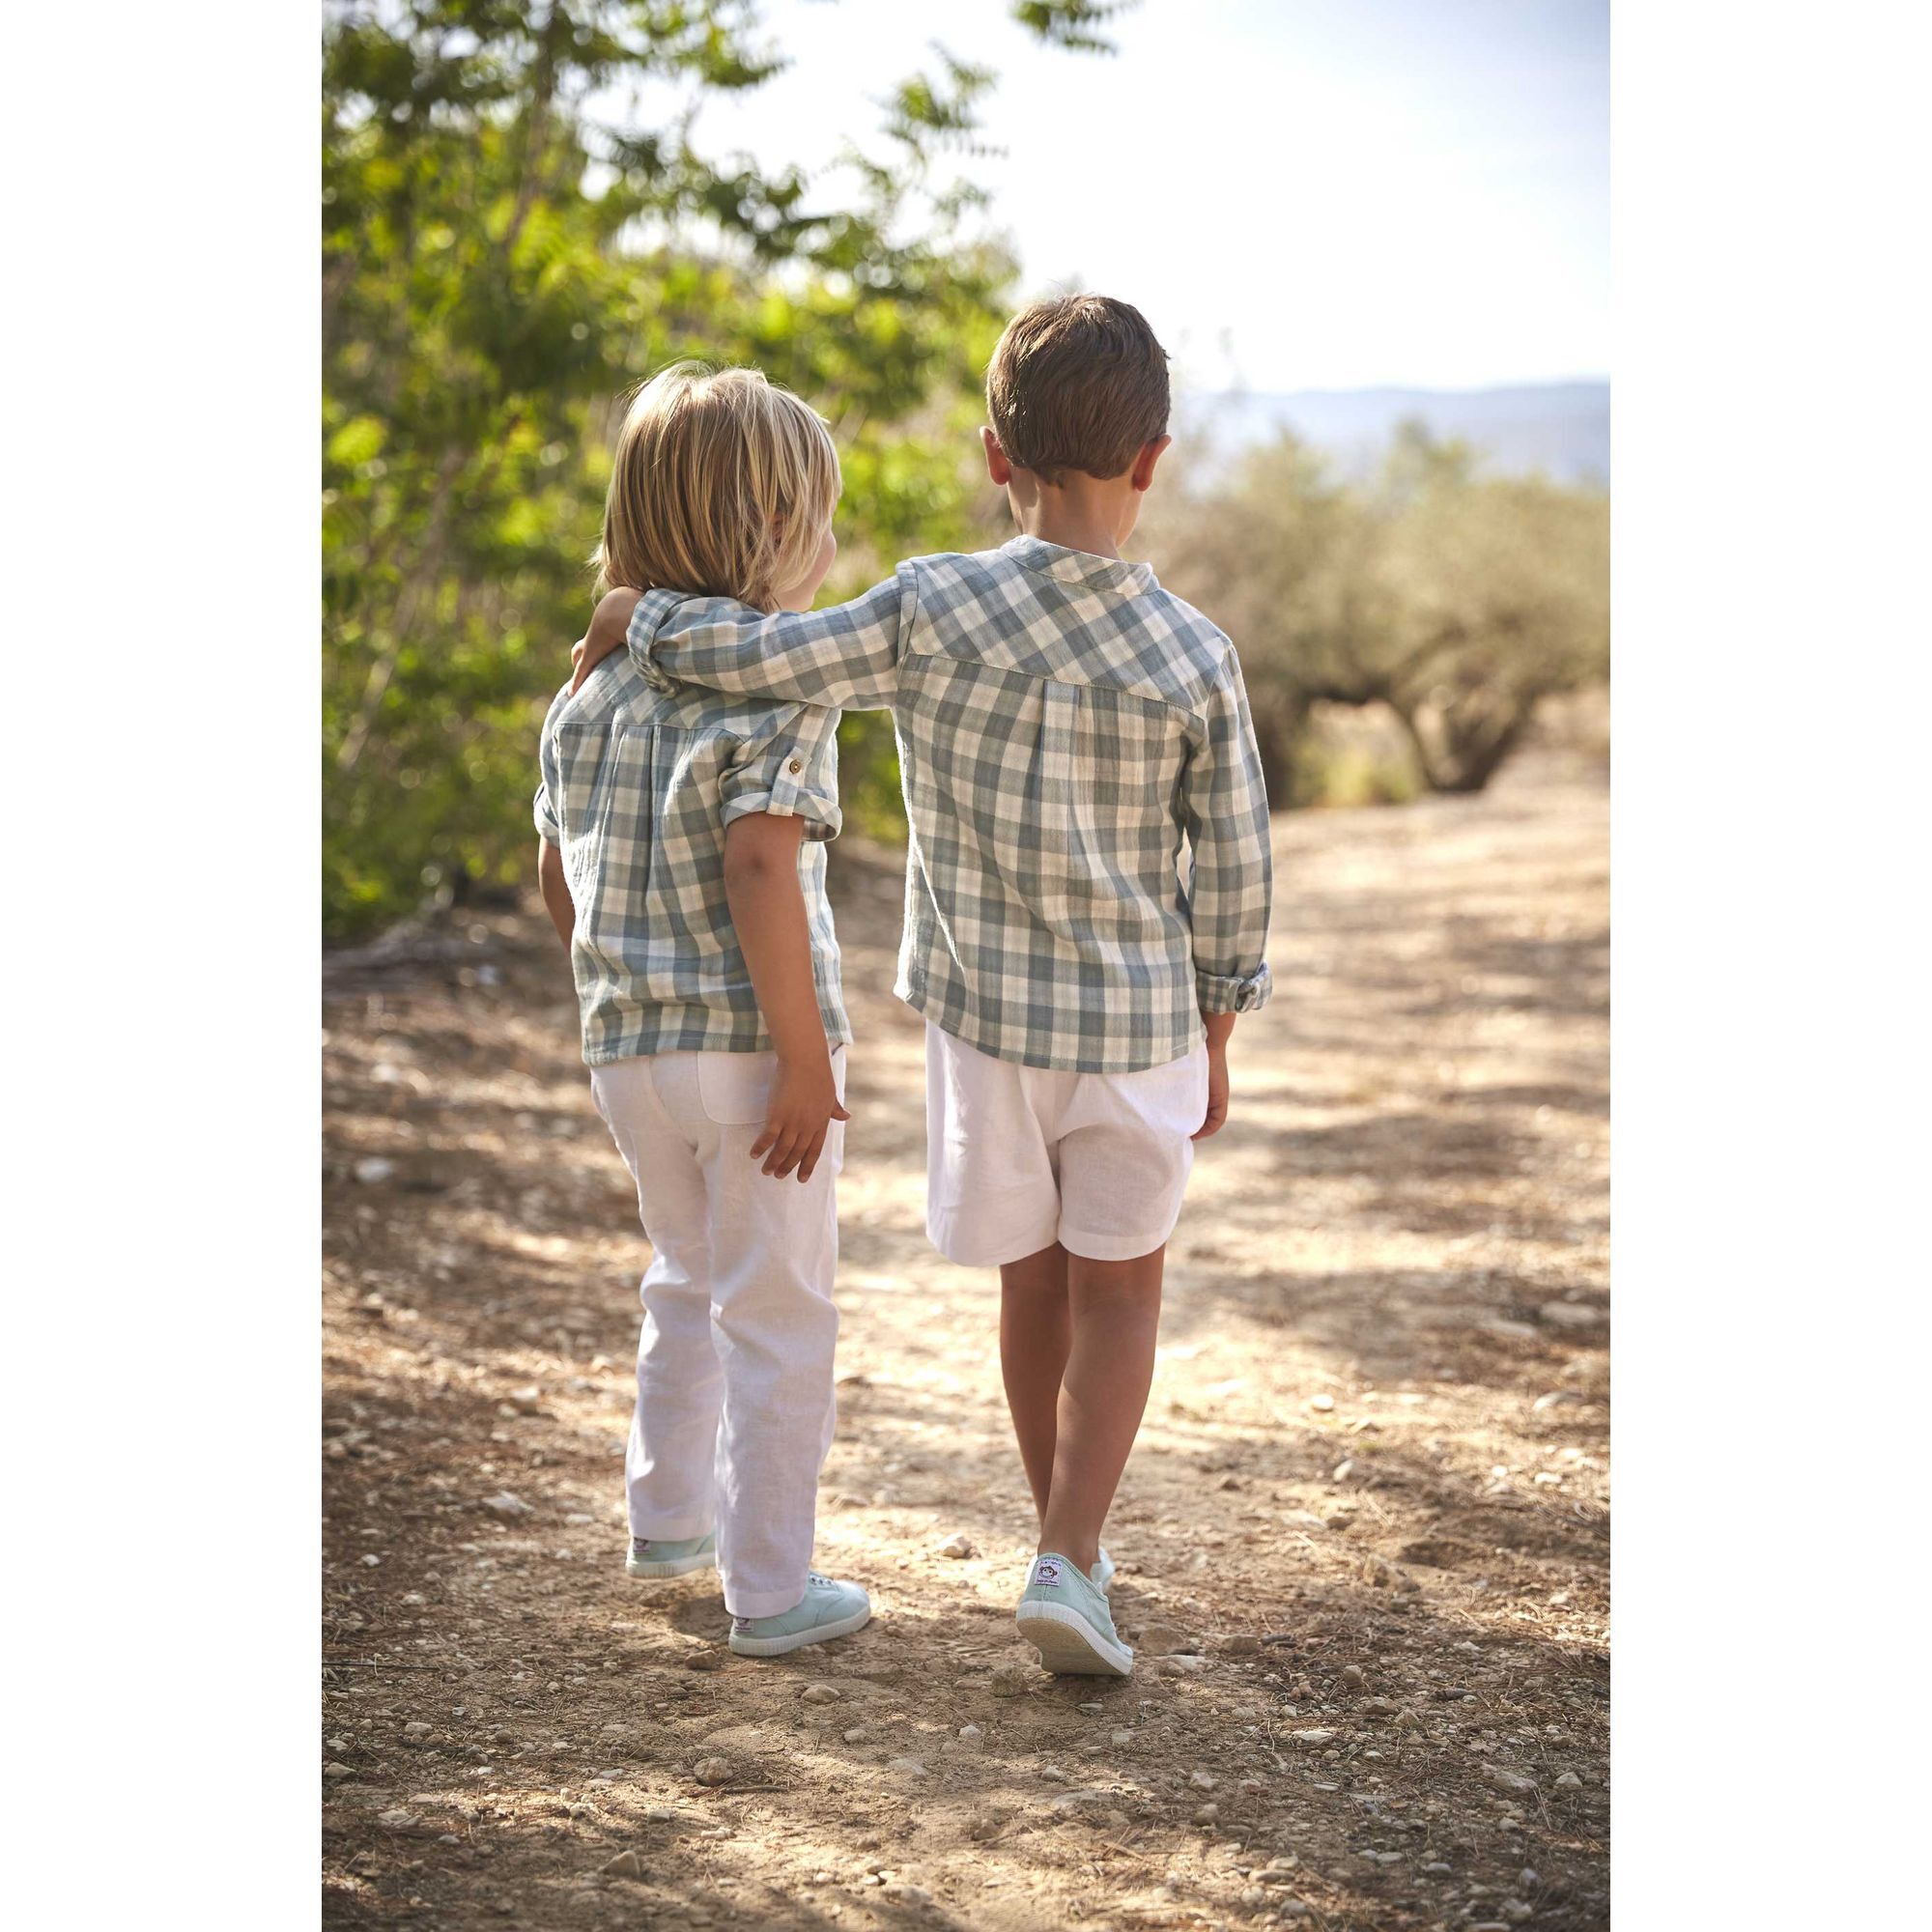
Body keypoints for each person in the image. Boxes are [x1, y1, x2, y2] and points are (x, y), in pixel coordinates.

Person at [571, 297, 1273, 1676]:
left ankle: (1063, 1547)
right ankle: (1067, 1550)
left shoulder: (930, 606)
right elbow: (1238, 862)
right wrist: (1219, 1020)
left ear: (996, 457)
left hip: (989, 1036)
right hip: (1138, 1032)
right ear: (1153, 461)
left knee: (1032, 1285)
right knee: (1121, 1293)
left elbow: (765, 657)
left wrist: (641, 619)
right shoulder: (1196, 655)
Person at [534, 362, 870, 1658]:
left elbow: (557, 872)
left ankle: (667, 1520)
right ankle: (771, 1592)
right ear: (769, 532)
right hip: (747, 1052)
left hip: (629, 1051)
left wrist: (621, 983)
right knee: (776, 1308)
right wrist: (802, 1058)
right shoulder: (776, 683)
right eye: (817, 521)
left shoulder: (588, 688)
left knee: (684, 1273)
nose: (827, 547)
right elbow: (759, 867)